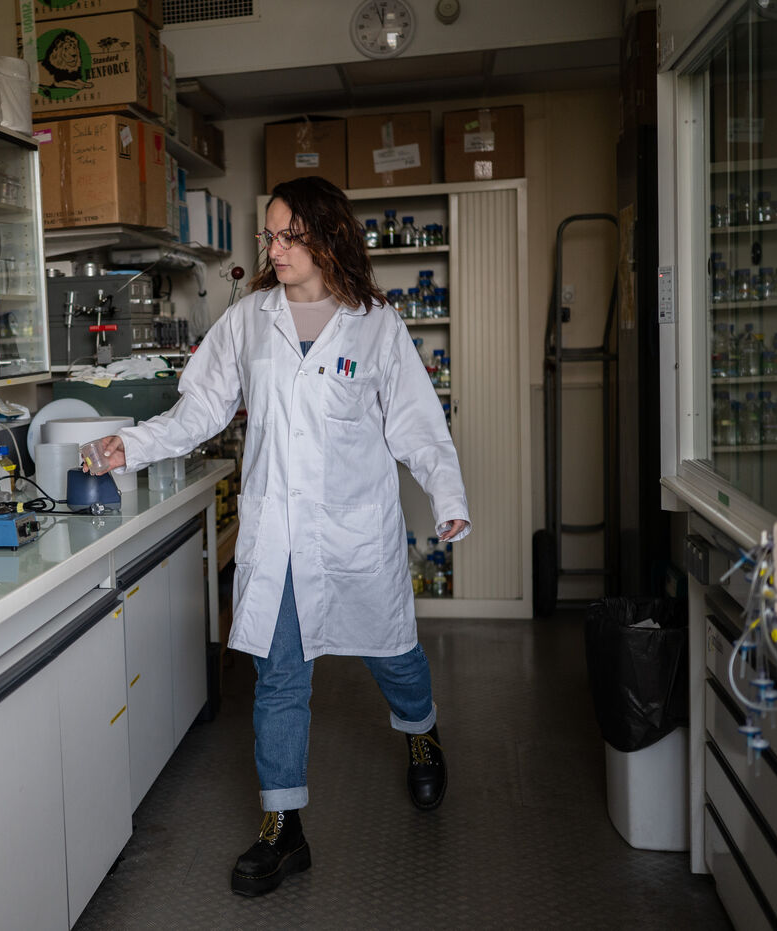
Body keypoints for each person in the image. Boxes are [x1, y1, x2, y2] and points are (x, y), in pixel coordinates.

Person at [85, 175, 470, 897]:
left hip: (355, 530)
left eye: (291, 234)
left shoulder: (376, 324)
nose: (276, 248)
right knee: (280, 675)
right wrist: (128, 445)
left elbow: (417, 424)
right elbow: (199, 409)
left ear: (330, 236)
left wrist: (446, 495)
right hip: (280, 534)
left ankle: (421, 730)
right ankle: (283, 826)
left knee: (394, 655)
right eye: (270, 235)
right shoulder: (248, 319)